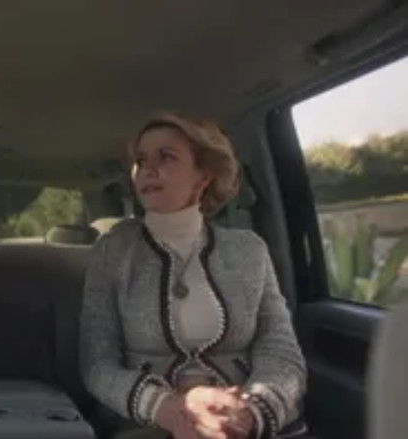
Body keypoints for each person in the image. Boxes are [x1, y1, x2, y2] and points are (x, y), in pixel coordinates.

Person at [80, 112, 306, 439]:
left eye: (166, 157)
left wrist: (250, 413)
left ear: (203, 177)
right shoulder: (112, 251)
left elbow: (281, 350)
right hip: (147, 424)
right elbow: (97, 365)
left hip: (241, 420)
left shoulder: (249, 250)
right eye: (141, 160)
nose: (147, 170)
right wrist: (170, 409)